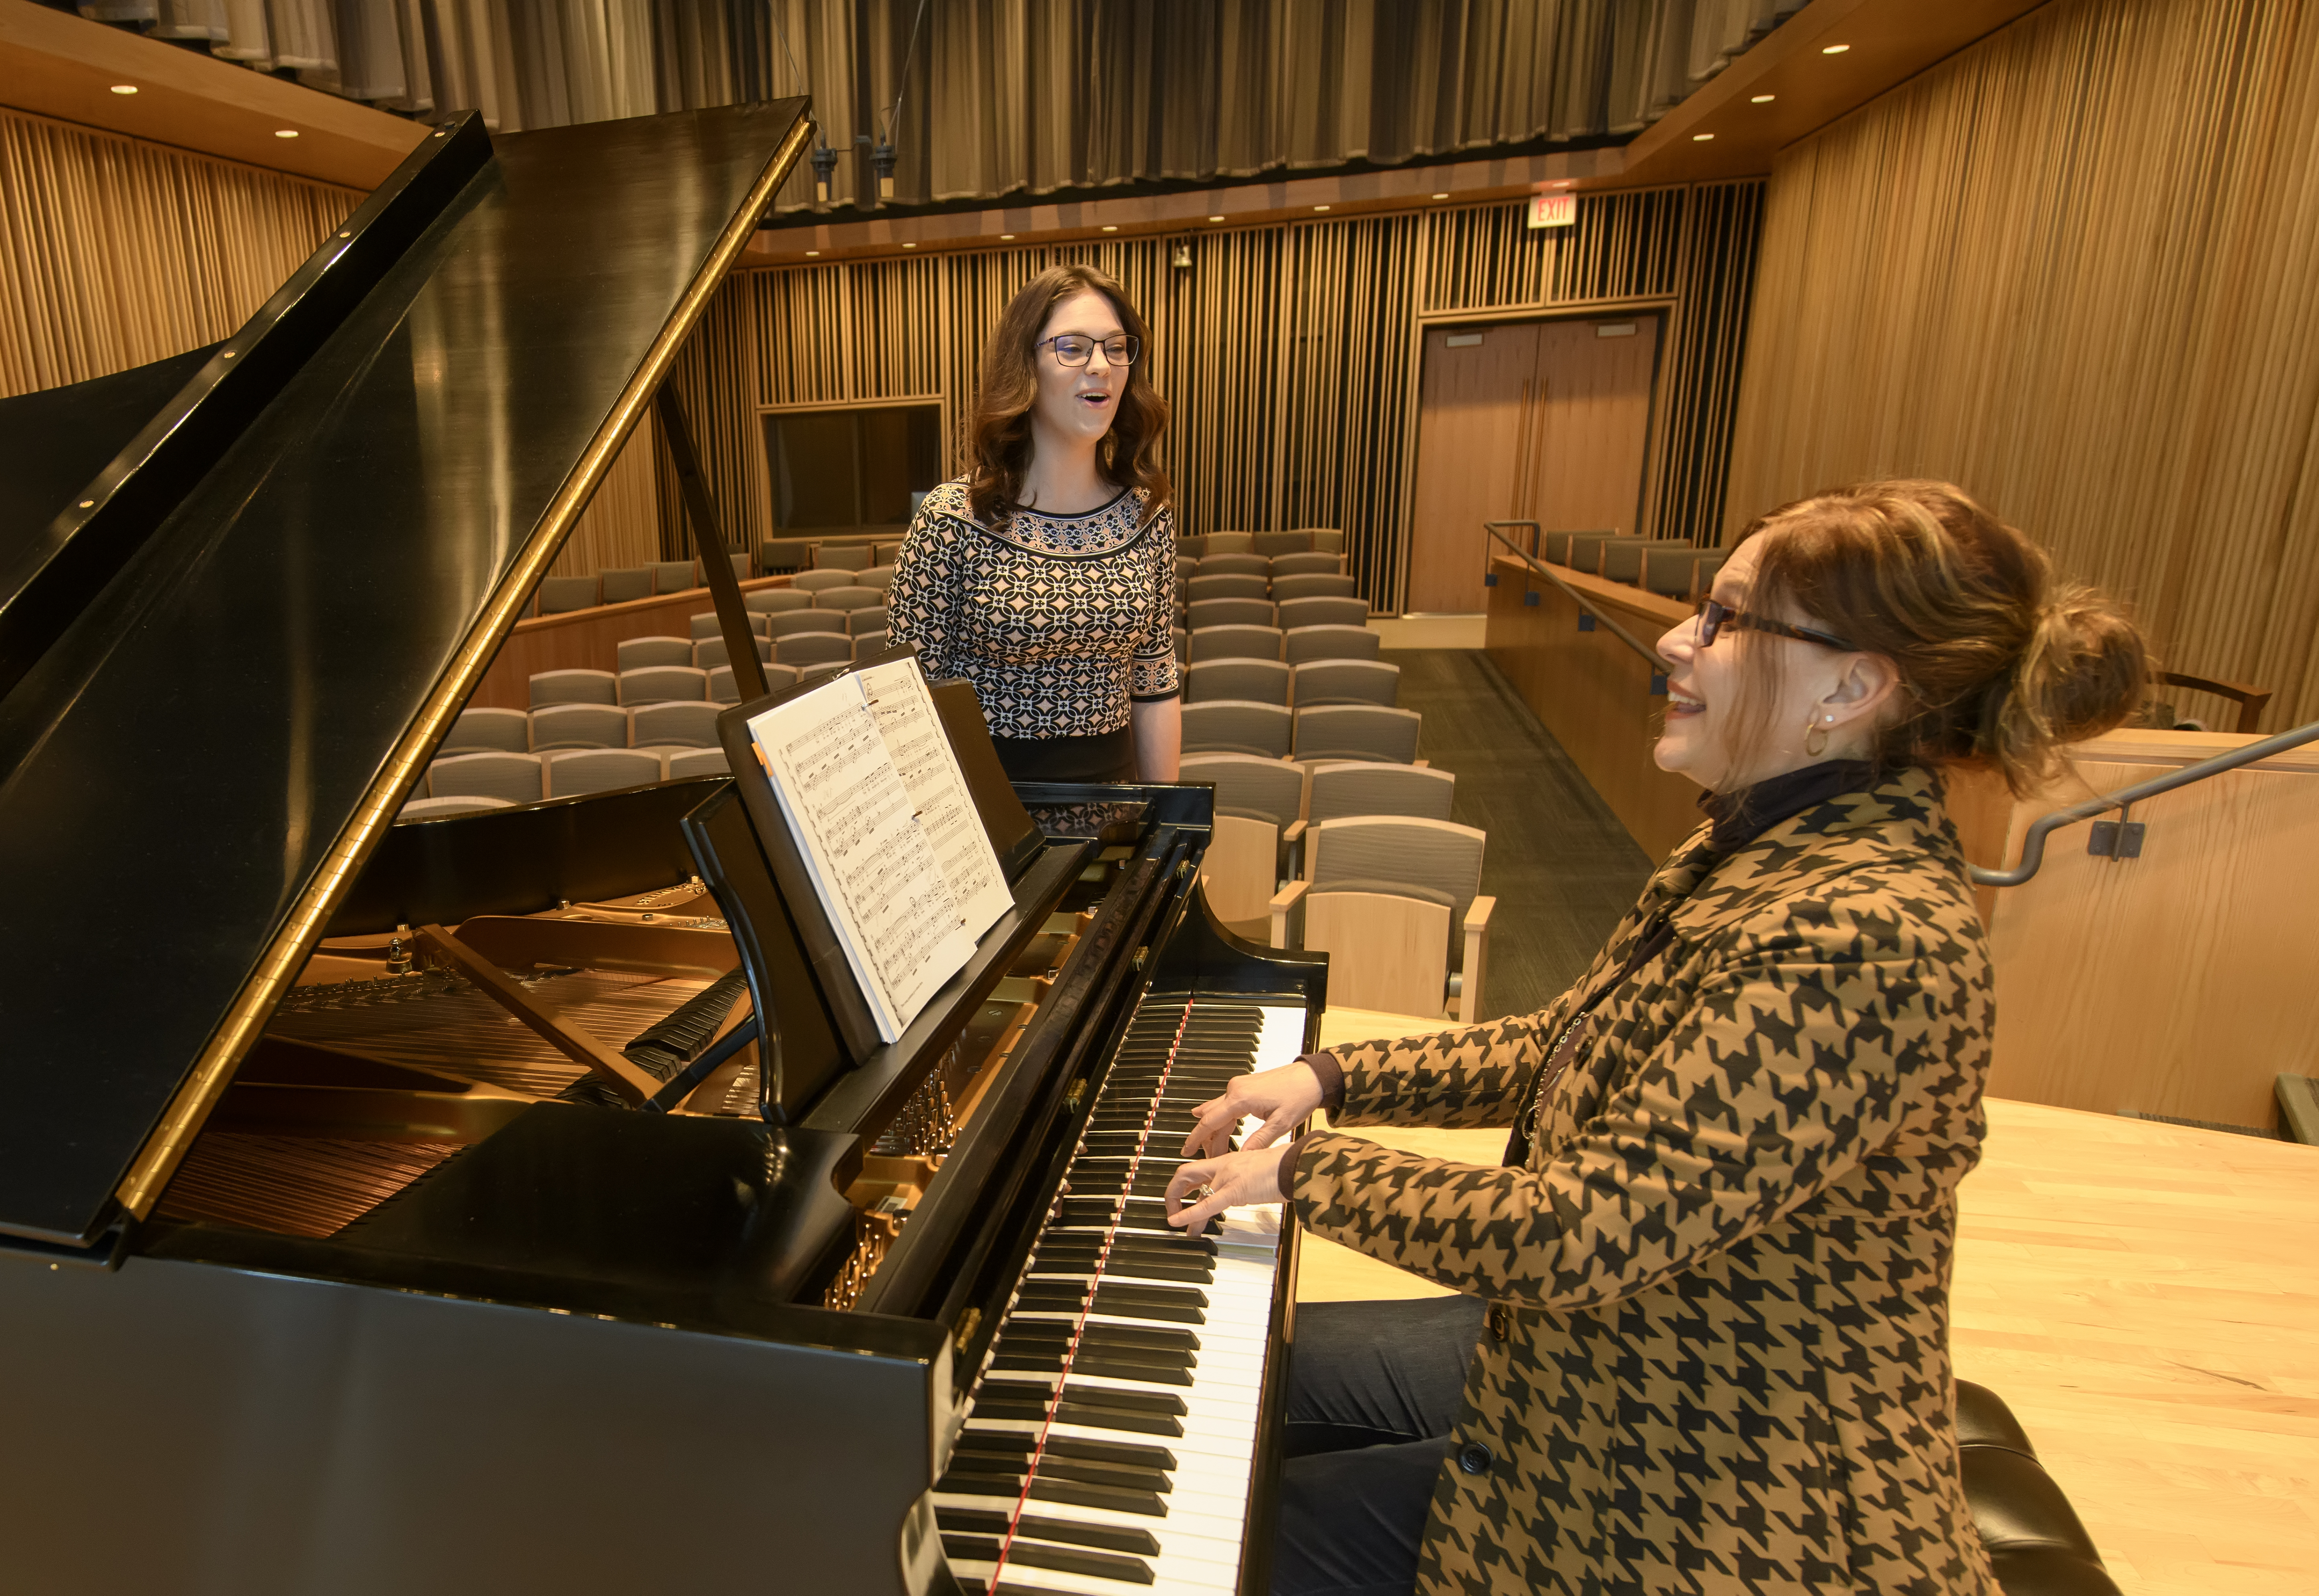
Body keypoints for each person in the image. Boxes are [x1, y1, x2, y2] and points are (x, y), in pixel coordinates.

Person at [1163, 482, 2149, 1596]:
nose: (1680, 639)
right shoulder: (1764, 845)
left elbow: (1581, 1233)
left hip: (1718, 1489)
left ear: (1853, 687)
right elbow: (1564, 1044)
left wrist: (1305, 1170)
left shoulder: (1862, 935)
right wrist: (1330, 1072)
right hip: (1628, 1356)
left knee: (1225, 1546)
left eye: (1731, 620)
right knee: (1223, 1378)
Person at [887, 265, 1180, 784]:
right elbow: (905, 705)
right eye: (1073, 347)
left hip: (1114, 814)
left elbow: (1154, 684)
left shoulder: (1145, 516)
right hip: (989, 813)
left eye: (1117, 347)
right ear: (1026, 364)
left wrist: (1166, 833)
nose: (1101, 366)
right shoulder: (949, 519)